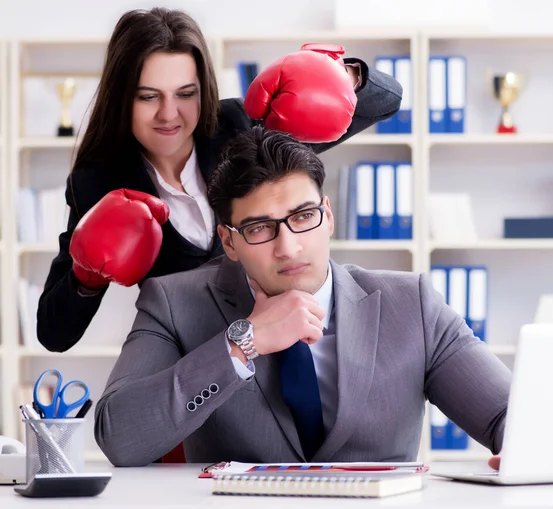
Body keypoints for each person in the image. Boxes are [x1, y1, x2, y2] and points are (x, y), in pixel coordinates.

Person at [94, 126, 511, 467]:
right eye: (259, 228)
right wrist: (242, 343)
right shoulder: (173, 303)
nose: (288, 247)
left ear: (328, 216)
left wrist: (524, 451)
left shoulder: (411, 305)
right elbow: (120, 438)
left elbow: (509, 417)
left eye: (303, 217)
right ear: (229, 241)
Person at [37, 7, 403, 353]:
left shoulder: (240, 126)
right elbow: (53, 334)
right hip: (202, 368)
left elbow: (388, 99)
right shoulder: (98, 181)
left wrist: (337, 75)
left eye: (186, 94)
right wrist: (87, 278)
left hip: (295, 344)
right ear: (122, 99)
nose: (169, 114)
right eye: (148, 97)